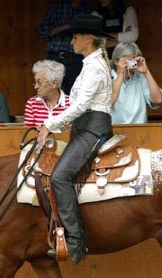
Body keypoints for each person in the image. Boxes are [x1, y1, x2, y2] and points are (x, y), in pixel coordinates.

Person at [37, 14, 114, 264]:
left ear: (88, 39)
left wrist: (49, 124)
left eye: (75, 37)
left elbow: (80, 105)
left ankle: (75, 243)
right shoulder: (90, 64)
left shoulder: (94, 67)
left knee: (59, 176)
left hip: (93, 129)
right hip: (84, 128)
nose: (71, 42)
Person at [38, 0, 93, 93]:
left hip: (77, 59)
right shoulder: (56, 6)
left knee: (74, 94)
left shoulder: (87, 9)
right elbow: (42, 32)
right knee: (51, 92)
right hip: (55, 57)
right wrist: (62, 28)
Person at [111, 42, 162, 124]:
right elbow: (108, 103)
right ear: (116, 62)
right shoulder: (108, 78)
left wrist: (146, 72)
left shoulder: (140, 77)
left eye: (133, 61)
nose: (131, 65)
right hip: (115, 130)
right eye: (127, 61)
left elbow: (158, 100)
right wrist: (120, 74)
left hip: (139, 130)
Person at [24, 60, 70, 127]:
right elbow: (28, 133)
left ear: (54, 83)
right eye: (35, 82)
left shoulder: (72, 103)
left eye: (39, 82)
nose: (35, 87)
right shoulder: (32, 103)